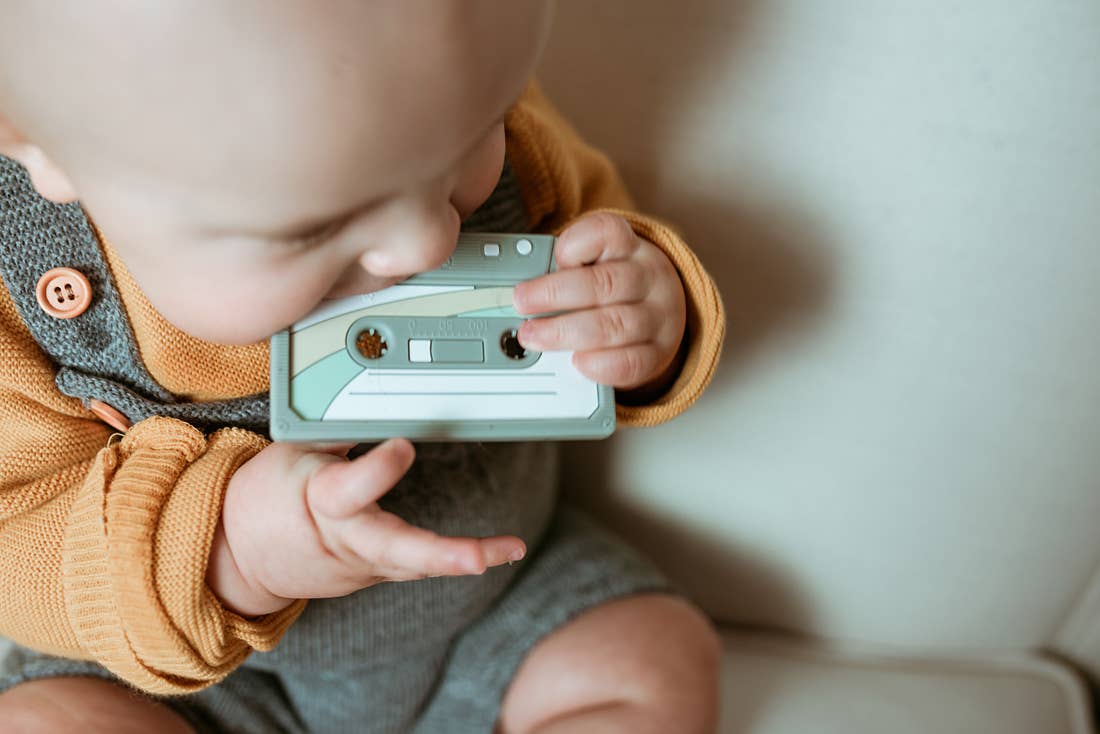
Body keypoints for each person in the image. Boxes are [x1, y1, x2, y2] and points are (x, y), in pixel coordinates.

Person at [0, 2, 725, 732]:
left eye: (470, 147)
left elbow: (594, 249)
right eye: (312, 228)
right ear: (43, 152)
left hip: (496, 609)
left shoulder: (449, 93)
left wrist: (642, 316)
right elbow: (17, 542)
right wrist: (226, 549)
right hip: (198, 690)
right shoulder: (19, 286)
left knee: (654, 659)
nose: (426, 242)